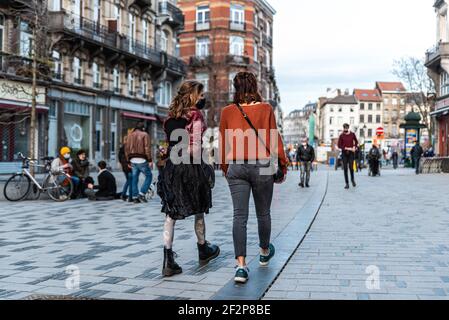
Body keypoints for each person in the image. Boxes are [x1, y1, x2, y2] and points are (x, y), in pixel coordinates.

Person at [219, 72, 288, 284]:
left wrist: (225, 167)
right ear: (255, 86)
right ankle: (265, 252)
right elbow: (274, 138)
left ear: (235, 87)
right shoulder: (266, 109)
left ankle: (241, 266)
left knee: (239, 216)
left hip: (237, 166)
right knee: (263, 213)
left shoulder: (227, 111)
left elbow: (224, 143)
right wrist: (283, 165)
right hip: (262, 165)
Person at [157, 80, 220, 277]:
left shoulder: (170, 118)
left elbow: (168, 146)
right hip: (190, 167)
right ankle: (203, 248)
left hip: (172, 168)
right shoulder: (196, 116)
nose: (203, 98)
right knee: (199, 209)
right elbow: (195, 148)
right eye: (201, 95)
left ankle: (168, 259)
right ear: (193, 96)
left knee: (170, 214)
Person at [125, 120, 153, 204]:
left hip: (133, 160)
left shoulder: (130, 135)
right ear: (143, 128)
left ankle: (135, 197)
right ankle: (142, 193)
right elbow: (147, 148)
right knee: (149, 176)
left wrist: (128, 161)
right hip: (142, 160)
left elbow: (126, 149)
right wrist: (150, 160)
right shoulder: (145, 134)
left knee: (134, 178)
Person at [338, 124, 359, 189]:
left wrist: (354, 147)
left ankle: (352, 180)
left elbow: (356, 142)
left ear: (348, 128)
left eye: (346, 128)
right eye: (344, 128)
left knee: (351, 167)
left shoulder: (352, 134)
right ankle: (347, 183)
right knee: (345, 169)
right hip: (344, 154)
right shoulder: (341, 135)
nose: (345, 129)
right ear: (343, 128)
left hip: (351, 154)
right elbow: (339, 145)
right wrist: (346, 148)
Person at [118, 137, 132, 202]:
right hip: (128, 166)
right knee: (130, 180)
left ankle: (124, 194)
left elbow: (119, 158)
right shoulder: (129, 148)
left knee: (129, 180)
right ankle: (125, 195)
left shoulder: (121, 148)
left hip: (124, 167)